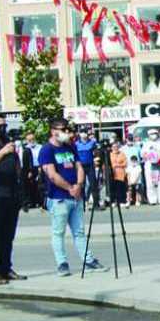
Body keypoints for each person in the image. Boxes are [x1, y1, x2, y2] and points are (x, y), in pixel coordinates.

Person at [38, 118, 106, 277]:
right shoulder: (47, 150)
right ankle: (62, 263)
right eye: (63, 130)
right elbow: (52, 175)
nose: (66, 133)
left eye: (67, 130)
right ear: (53, 131)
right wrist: (69, 188)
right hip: (59, 197)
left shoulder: (70, 147)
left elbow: (79, 166)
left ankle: (88, 260)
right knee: (58, 232)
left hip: (75, 196)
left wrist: (79, 185)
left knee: (79, 231)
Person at [0, 115, 23, 285]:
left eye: (4, 125)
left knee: (7, 236)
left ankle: (5, 268)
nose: (2, 129)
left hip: (11, 194)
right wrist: (2, 153)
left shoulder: (7, 142)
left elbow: (16, 165)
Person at [141, 131, 160, 204]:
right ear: (149, 135)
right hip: (149, 166)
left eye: (155, 134)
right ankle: (152, 200)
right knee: (150, 183)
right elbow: (143, 154)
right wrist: (149, 156)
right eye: (152, 134)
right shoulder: (146, 144)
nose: (154, 135)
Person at [74, 129, 99, 207]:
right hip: (81, 166)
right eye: (82, 132)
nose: (84, 134)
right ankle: (82, 203)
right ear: (80, 134)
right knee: (82, 184)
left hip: (90, 165)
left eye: (85, 132)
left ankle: (96, 203)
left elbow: (97, 152)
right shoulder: (76, 144)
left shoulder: (92, 142)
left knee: (93, 184)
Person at [20, 132, 42, 210]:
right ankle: (30, 202)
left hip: (39, 167)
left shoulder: (40, 147)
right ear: (26, 140)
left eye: (32, 139)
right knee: (29, 186)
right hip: (28, 168)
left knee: (38, 186)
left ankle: (39, 201)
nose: (31, 141)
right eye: (29, 140)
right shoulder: (25, 148)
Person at [109, 141, 128, 207]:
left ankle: (122, 201)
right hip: (112, 174)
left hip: (121, 173)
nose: (115, 148)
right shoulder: (109, 154)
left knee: (121, 188)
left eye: (116, 147)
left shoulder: (122, 154)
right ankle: (113, 201)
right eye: (114, 147)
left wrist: (117, 165)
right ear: (111, 147)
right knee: (112, 188)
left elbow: (125, 163)